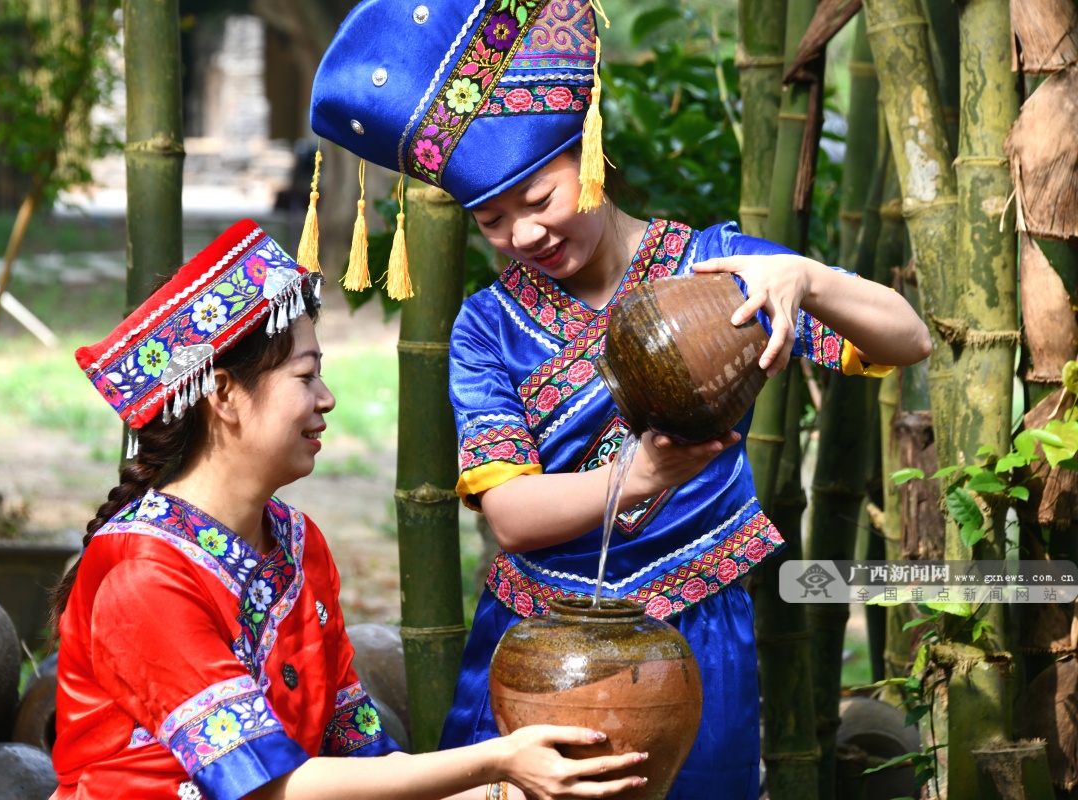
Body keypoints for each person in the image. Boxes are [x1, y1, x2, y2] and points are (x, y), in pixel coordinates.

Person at [308, 2, 933, 798]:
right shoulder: (488, 326)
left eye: (538, 198)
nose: (523, 235)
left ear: (589, 151)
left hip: (697, 632)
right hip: (537, 644)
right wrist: (638, 477)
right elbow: (511, 515)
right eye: (491, 221)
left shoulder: (717, 271)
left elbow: (906, 339)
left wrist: (807, 279)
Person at [49, 220, 648, 800]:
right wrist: (495, 758)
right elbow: (270, 788)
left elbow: (357, 755)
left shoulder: (295, 541)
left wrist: (501, 790)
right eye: (306, 375)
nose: (326, 398)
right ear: (224, 395)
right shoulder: (143, 574)